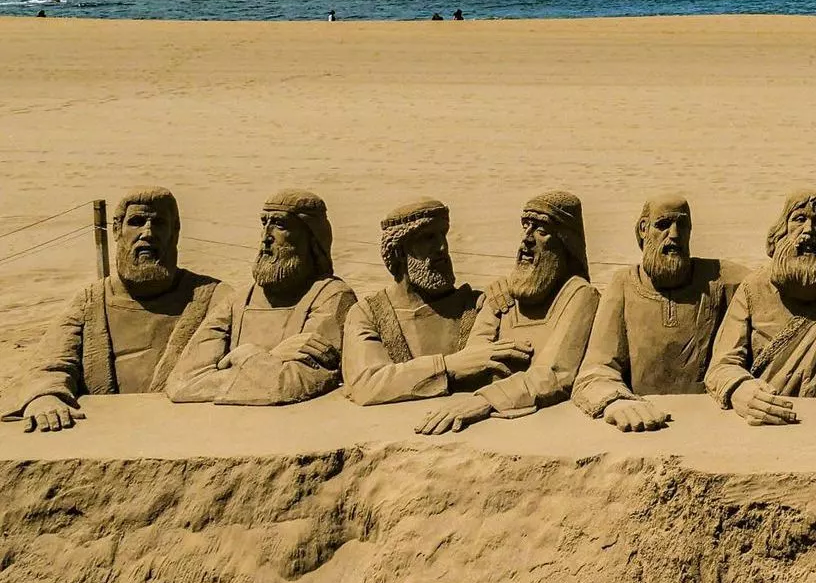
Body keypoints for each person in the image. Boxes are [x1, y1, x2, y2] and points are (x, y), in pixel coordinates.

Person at [3, 188, 220, 430]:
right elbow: (49, 364)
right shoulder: (90, 302)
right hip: (102, 436)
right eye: (136, 222)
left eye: (159, 223)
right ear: (117, 230)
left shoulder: (214, 298)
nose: (147, 233)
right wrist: (44, 397)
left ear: (175, 232)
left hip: (186, 433)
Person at [414, 192, 598, 434]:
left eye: (542, 231)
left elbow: (554, 374)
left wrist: (485, 400)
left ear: (566, 243)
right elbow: (475, 360)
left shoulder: (579, 295)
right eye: (526, 228)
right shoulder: (503, 294)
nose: (527, 240)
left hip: (540, 430)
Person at [703, 191, 816, 426]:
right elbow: (722, 365)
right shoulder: (753, 288)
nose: (808, 230)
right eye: (799, 219)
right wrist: (741, 390)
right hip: (767, 419)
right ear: (781, 232)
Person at [572, 195, 744, 431]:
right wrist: (615, 402)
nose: (674, 235)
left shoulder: (721, 279)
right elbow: (595, 371)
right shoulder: (623, 285)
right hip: (646, 424)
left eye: (682, 225)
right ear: (643, 230)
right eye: (663, 225)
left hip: (710, 424)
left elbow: (769, 287)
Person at [168, 191, 356, 406]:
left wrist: (236, 360)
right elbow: (182, 384)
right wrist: (268, 357)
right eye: (264, 223)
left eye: (280, 225)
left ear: (311, 237)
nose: (266, 236)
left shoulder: (333, 297)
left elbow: (289, 385)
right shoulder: (237, 301)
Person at [343, 199, 529, 405]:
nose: (442, 247)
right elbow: (366, 385)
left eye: (443, 235)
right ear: (399, 252)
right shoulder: (367, 313)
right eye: (428, 237)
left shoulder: (477, 305)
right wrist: (449, 366)